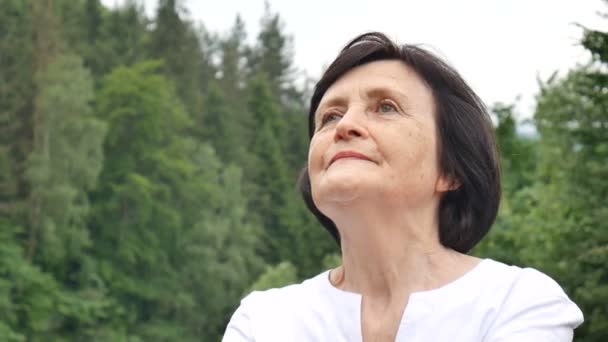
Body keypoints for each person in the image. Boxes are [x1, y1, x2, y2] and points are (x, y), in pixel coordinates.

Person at [222, 32, 584, 341]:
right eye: (330, 116)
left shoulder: (517, 304)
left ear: (450, 170)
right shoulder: (263, 321)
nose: (345, 125)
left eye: (386, 107)